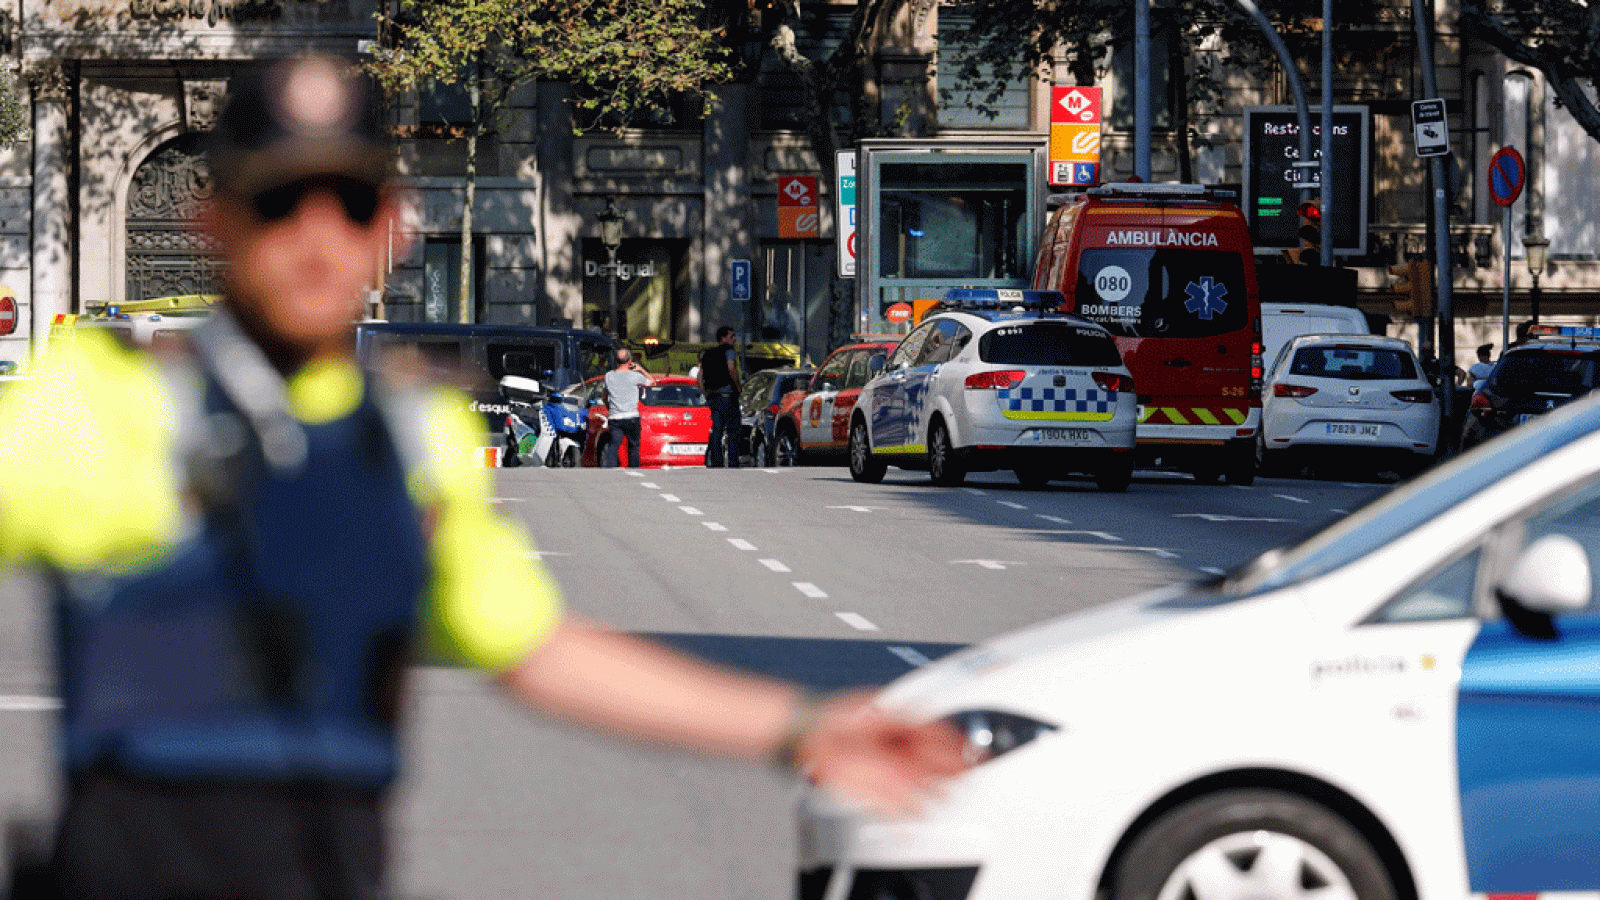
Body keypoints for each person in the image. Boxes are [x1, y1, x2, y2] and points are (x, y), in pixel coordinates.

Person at [0, 56, 966, 900]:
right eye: (276, 200)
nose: (314, 235)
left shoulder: (411, 438)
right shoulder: (103, 406)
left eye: (348, 201)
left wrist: (803, 726)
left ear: (395, 223)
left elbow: (539, 650)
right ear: (216, 219)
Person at [602, 346, 654, 468]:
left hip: (615, 417)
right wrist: (641, 369)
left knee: (613, 446)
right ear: (629, 360)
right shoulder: (635, 376)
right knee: (634, 446)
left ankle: (610, 471)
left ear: (616, 361)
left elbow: (604, 396)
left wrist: (609, 407)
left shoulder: (609, 376)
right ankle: (634, 469)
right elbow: (652, 381)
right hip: (631, 417)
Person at [698, 325, 742, 468]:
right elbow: (731, 369)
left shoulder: (707, 353)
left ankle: (716, 461)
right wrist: (738, 387)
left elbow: (700, 377)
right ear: (723, 338)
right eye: (732, 336)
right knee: (733, 429)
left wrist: (706, 393)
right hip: (728, 396)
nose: (734, 339)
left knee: (717, 429)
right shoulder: (729, 351)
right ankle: (733, 461)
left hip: (713, 397)